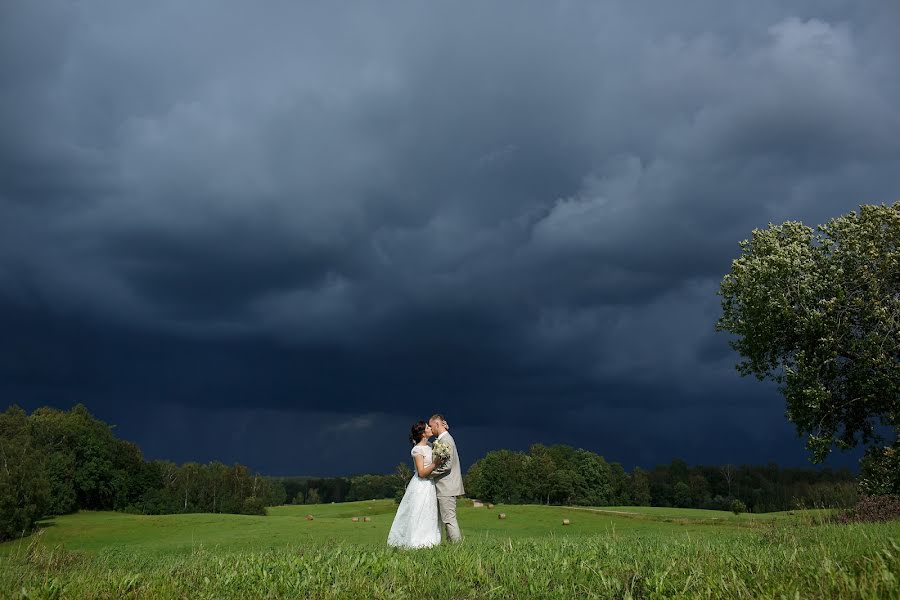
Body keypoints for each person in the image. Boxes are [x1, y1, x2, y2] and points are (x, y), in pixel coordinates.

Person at [387, 421, 444, 549]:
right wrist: (436, 463)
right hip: (421, 486)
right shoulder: (417, 450)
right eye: (428, 427)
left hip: (430, 485)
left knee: (430, 513)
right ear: (423, 433)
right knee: (419, 512)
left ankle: (430, 542)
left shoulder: (430, 445)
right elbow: (422, 473)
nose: (430, 428)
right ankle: (416, 542)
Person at [428, 414, 464, 542]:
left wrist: (429, 474)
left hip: (446, 486)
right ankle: (451, 548)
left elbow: (447, 466)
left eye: (431, 426)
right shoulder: (442, 440)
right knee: (447, 519)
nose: (430, 429)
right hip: (446, 486)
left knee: (449, 519)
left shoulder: (445, 440)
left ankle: (457, 548)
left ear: (437, 424)